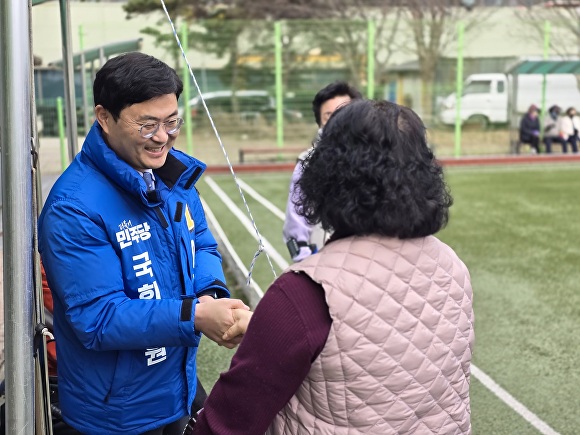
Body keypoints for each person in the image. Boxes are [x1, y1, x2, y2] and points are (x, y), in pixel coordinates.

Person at [191, 100, 475, 434]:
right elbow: (378, 341)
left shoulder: (304, 291)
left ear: (329, 175)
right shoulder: (452, 265)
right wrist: (269, 326)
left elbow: (227, 422)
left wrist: (275, 325)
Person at [38, 52, 249, 435]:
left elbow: (200, 244)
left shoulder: (171, 177)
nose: (163, 137)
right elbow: (98, 318)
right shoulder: (74, 207)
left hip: (175, 383)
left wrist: (209, 296)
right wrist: (194, 316)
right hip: (117, 410)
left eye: (172, 122)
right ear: (104, 118)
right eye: (147, 124)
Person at [282, 81, 362, 262]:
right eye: (329, 115)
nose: (337, 121)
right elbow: (296, 218)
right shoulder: (308, 162)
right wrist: (305, 262)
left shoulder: (377, 159)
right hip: (323, 262)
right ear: (319, 122)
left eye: (344, 113)